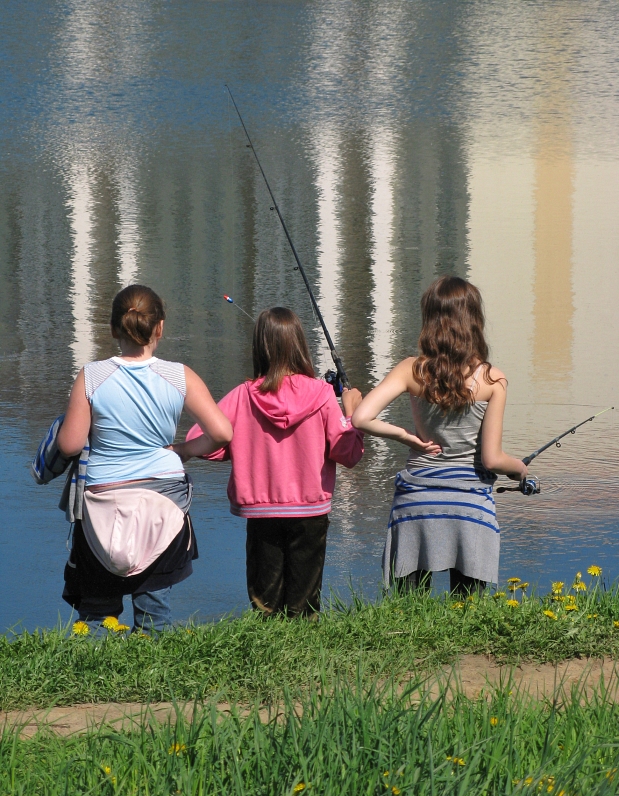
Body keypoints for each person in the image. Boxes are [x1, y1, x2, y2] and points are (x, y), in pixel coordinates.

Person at [57, 284, 232, 632]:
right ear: (160, 328)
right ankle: (153, 661)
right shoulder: (179, 375)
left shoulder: (91, 376)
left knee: (96, 608)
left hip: (102, 501)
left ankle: (93, 659)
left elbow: (69, 445)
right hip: (163, 503)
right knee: (154, 605)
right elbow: (222, 433)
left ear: (112, 329)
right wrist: (182, 450)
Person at [175, 307, 364, 619]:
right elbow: (349, 454)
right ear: (300, 344)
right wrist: (352, 415)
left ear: (259, 347)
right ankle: (304, 645)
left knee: (265, 603)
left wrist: (242, 446)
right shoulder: (323, 394)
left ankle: (267, 645)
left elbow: (203, 441)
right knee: (304, 603)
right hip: (310, 509)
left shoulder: (243, 395)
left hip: (261, 509)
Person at [351, 276, 527, 595]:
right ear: (473, 320)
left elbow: (361, 417)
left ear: (429, 319)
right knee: (468, 609)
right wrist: (520, 469)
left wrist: (406, 436)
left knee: (409, 607)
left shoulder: (410, 369)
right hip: (469, 505)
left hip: (416, 501)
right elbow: (492, 459)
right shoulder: (492, 379)